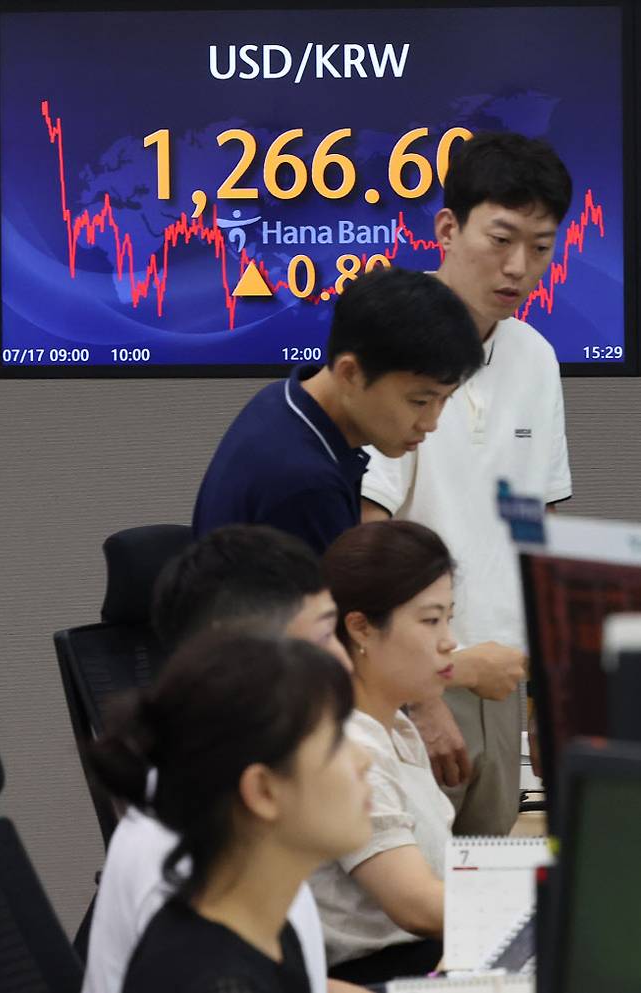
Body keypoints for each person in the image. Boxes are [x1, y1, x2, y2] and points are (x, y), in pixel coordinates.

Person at [361, 131, 573, 835]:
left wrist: (552, 692)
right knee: (406, 911)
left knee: (483, 912)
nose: (518, 267)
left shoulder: (536, 357)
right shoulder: (394, 344)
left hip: (503, 679)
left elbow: (534, 529)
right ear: (448, 228)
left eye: (541, 248)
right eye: (502, 238)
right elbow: (367, 536)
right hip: (416, 682)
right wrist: (420, 697)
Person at [83, 525, 351, 993]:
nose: (346, 663)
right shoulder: (185, 852)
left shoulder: (230, 797)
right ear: (240, 651)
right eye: (326, 635)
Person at [192, 267, 482, 553]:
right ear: (350, 373)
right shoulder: (305, 487)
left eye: (446, 399)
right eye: (419, 401)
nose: (431, 423)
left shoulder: (282, 399)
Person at [311, 520, 457, 985]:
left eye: (450, 618)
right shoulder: (349, 744)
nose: (448, 640)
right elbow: (415, 905)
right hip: (375, 975)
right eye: (431, 620)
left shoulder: (395, 727)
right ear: (361, 628)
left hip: (430, 958)